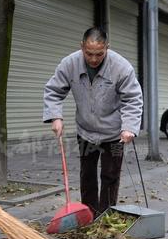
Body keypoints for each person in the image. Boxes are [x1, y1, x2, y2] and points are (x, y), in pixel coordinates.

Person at [43, 27, 143, 217]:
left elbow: (133, 98)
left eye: (99, 54)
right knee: (87, 175)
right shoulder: (69, 64)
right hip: (85, 132)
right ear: (82, 47)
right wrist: (55, 116)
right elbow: (53, 90)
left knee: (110, 175)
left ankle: (105, 216)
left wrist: (129, 127)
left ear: (107, 47)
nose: (94, 59)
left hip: (114, 135)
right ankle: (88, 215)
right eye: (89, 54)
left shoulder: (121, 67)